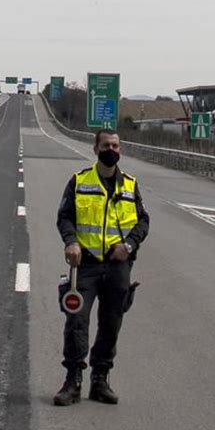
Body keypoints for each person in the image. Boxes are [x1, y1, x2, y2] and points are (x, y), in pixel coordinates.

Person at [54, 129, 150, 406]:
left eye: (116, 145)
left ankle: (100, 380)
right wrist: (70, 242)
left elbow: (143, 222)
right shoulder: (80, 181)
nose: (112, 149)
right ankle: (73, 381)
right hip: (85, 264)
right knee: (76, 322)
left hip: (118, 265)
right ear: (95, 149)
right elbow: (64, 217)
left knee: (111, 323)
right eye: (106, 145)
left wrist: (128, 246)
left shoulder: (130, 185)